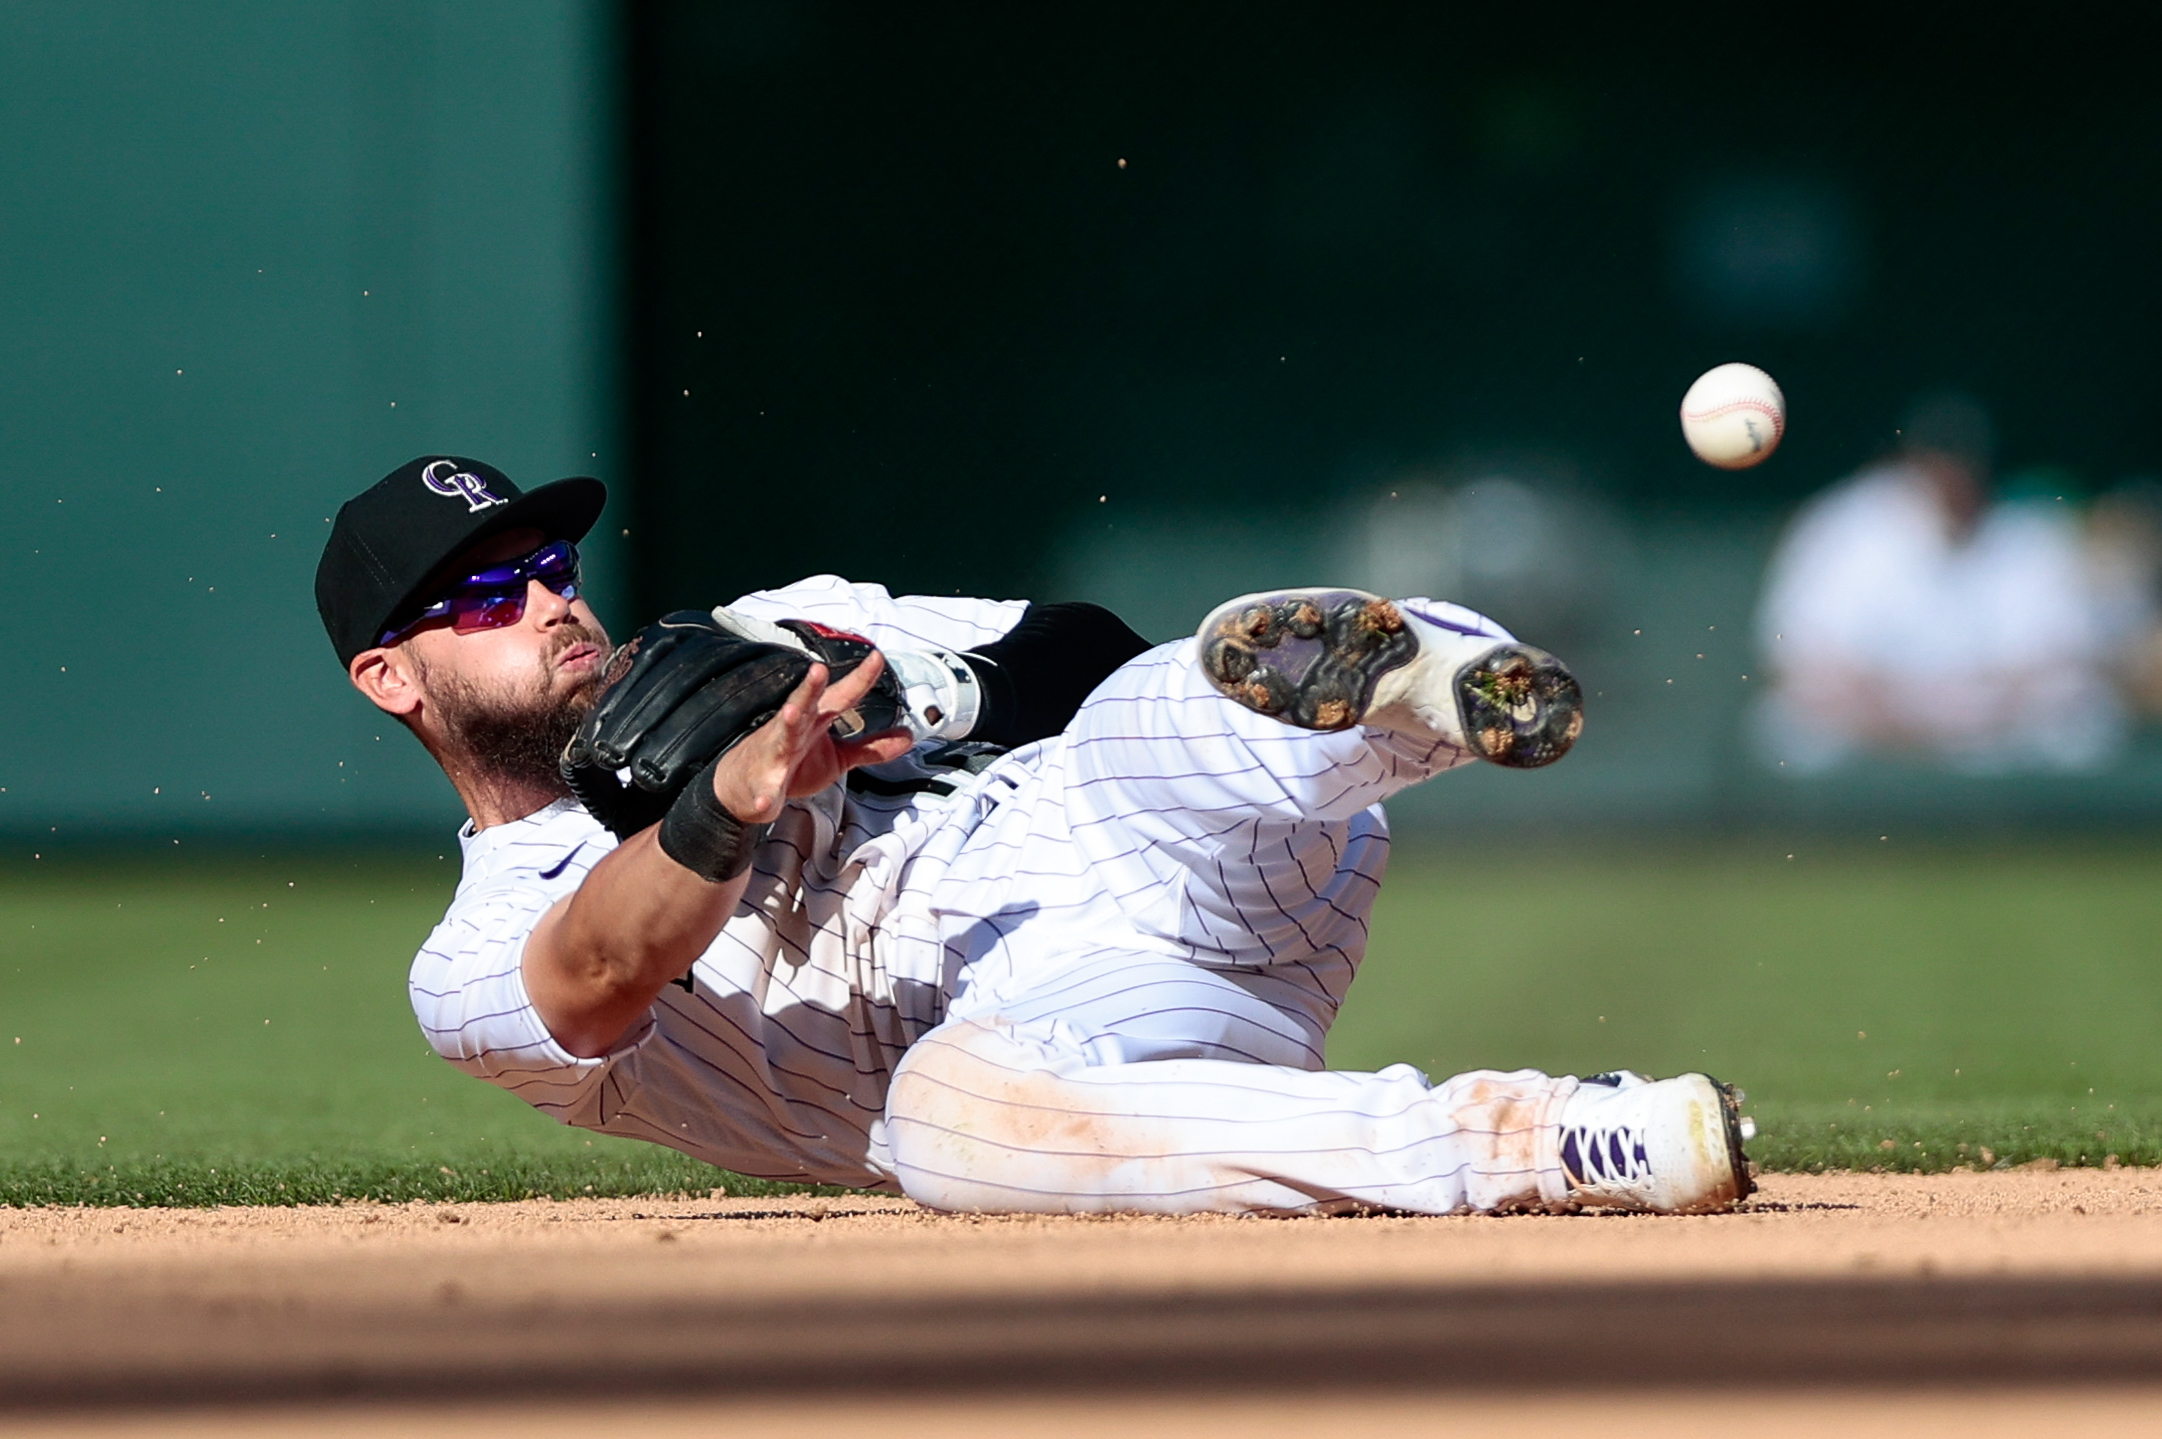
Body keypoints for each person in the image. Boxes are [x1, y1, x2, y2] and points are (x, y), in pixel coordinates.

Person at [316, 455, 1755, 1216]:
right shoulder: (468, 962)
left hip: (1128, 840)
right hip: (1083, 1024)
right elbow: (595, 974)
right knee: (945, 1124)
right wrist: (737, 797)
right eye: (488, 590)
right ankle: (1556, 1134)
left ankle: (1430, 681)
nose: (550, 596)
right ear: (392, 678)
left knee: (1155, 702)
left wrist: (930, 692)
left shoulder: (767, 640)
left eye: (550, 561)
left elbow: (1077, 644)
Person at [1755, 391, 2124, 772]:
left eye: (1966, 461)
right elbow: (1804, 656)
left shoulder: (2029, 528)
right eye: (1941, 460)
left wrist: (1972, 714)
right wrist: (1905, 715)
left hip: (1997, 720)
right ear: (1912, 461)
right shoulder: (1846, 523)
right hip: (1877, 716)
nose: (1954, 476)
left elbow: (2063, 659)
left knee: (2083, 724)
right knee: (1791, 727)